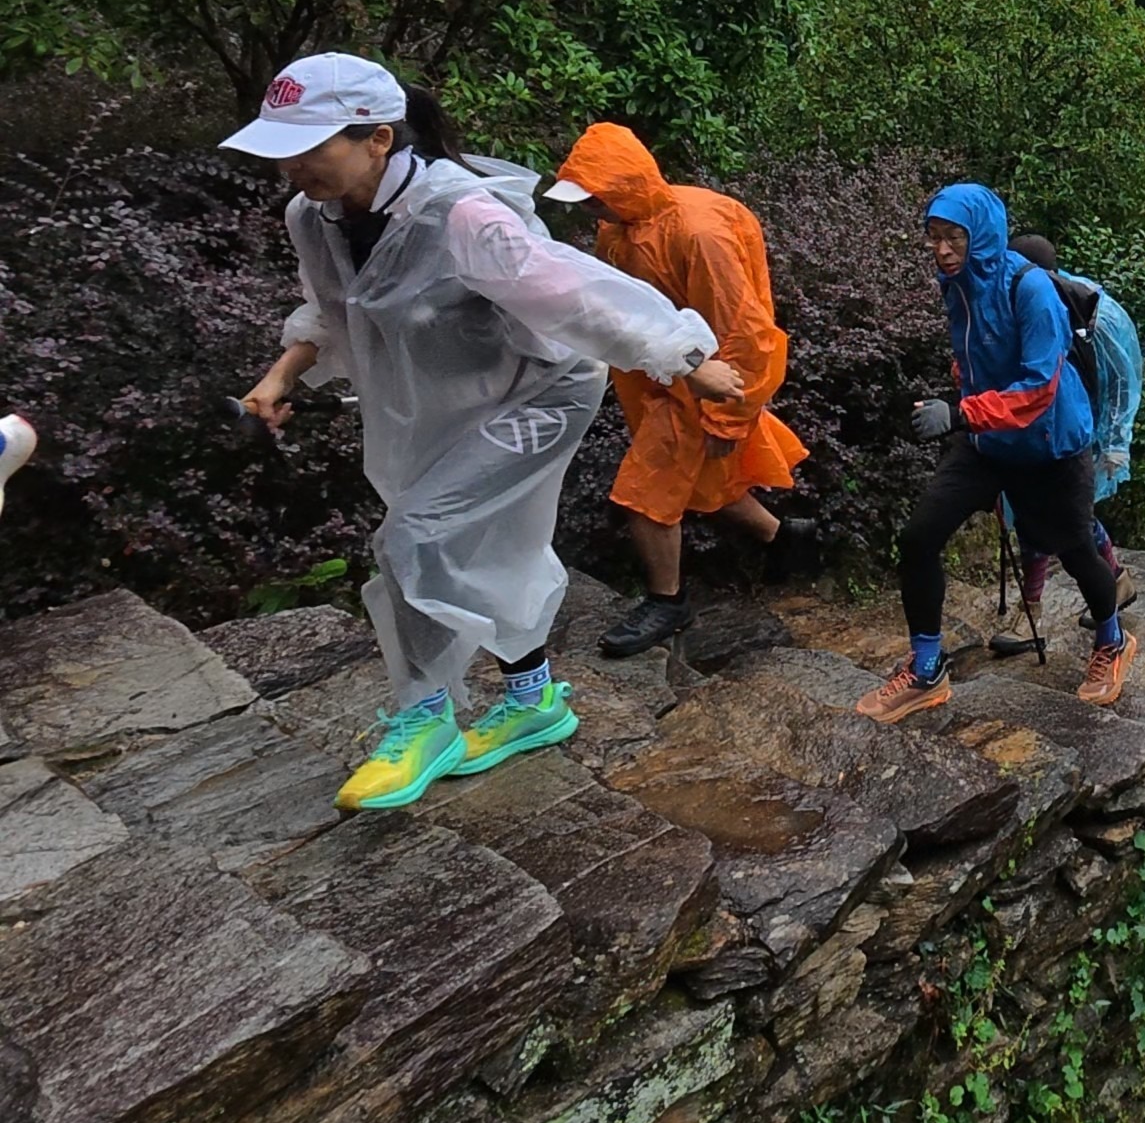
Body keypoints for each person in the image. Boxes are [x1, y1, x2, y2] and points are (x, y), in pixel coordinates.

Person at [226, 54, 725, 812]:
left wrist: (681, 358)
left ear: (378, 139)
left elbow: (568, 293)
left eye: (311, 146)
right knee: (490, 547)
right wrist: (283, 374)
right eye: (283, 149)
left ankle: (424, 720)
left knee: (415, 537)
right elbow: (335, 308)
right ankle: (533, 700)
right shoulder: (312, 218)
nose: (294, 166)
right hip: (439, 401)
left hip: (541, 393)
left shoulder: (460, 213)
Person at [855, 185, 1134, 723]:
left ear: (980, 235)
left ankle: (1112, 639)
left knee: (1075, 551)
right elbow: (972, 355)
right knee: (919, 537)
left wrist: (959, 414)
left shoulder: (1029, 290)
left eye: (952, 237)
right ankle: (927, 666)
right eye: (933, 238)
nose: (940, 249)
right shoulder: (956, 286)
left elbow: (1037, 389)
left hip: (1050, 442)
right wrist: (961, 397)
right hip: (987, 440)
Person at [541, 124, 813, 659]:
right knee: (696, 480)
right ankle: (786, 540)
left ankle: (668, 601)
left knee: (644, 494)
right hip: (656, 381)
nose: (588, 210)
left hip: (708, 386)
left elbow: (747, 333)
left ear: (622, 186)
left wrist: (727, 418)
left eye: (594, 197)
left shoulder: (698, 234)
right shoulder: (617, 227)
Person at [1003, 234, 1140, 631]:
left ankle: (1100, 591)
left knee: (1070, 518)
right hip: (1031, 427)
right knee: (1034, 514)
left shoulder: (1095, 310)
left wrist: (1116, 441)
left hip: (1080, 427)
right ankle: (1038, 607)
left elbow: (1122, 376)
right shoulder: (1011, 302)